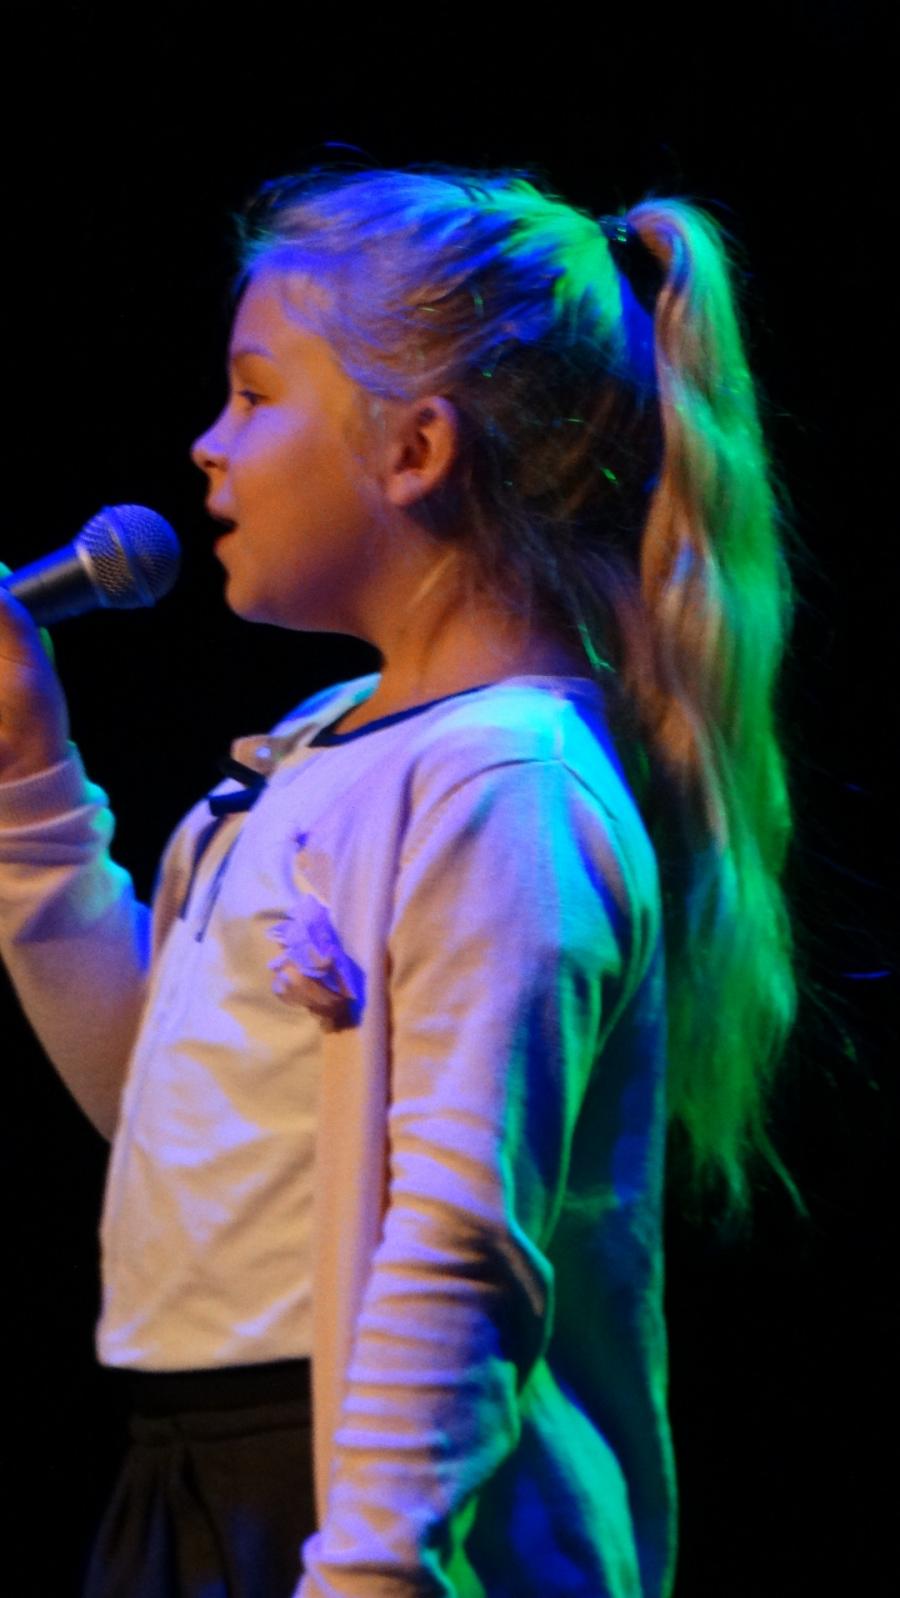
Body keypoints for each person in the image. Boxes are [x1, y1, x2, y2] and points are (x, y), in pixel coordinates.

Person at [0, 165, 807, 1597]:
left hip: (382, 1509)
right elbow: (172, 1117)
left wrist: (372, 1571)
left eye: (253, 394)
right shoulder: (314, 749)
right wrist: (28, 791)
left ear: (416, 447)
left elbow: (458, 1237)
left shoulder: (504, 786)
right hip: (198, 1474)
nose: (206, 446)